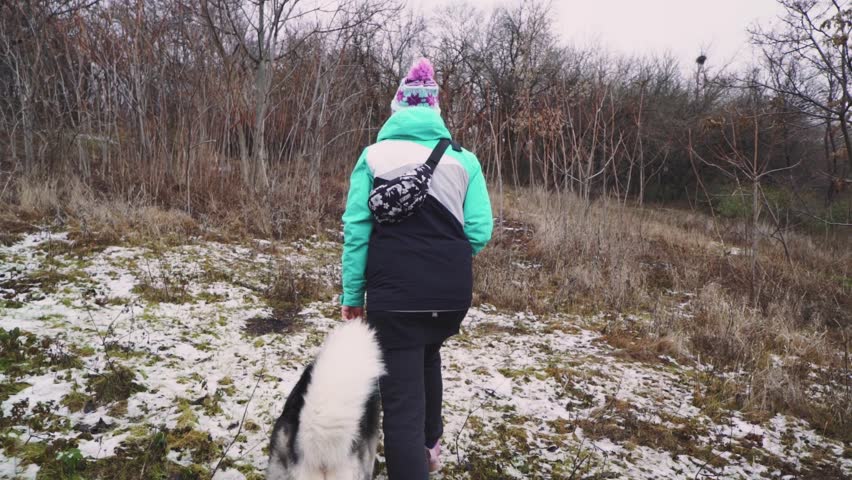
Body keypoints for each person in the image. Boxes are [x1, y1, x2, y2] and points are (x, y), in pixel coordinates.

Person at [340, 57, 493, 479]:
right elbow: (480, 230)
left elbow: (357, 232)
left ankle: (416, 456)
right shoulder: (465, 160)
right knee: (427, 352)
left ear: (398, 110)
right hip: (449, 298)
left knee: (402, 407)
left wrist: (352, 297)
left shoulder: (373, 156)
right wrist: (443, 261)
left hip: (396, 300)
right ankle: (431, 448)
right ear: (434, 111)